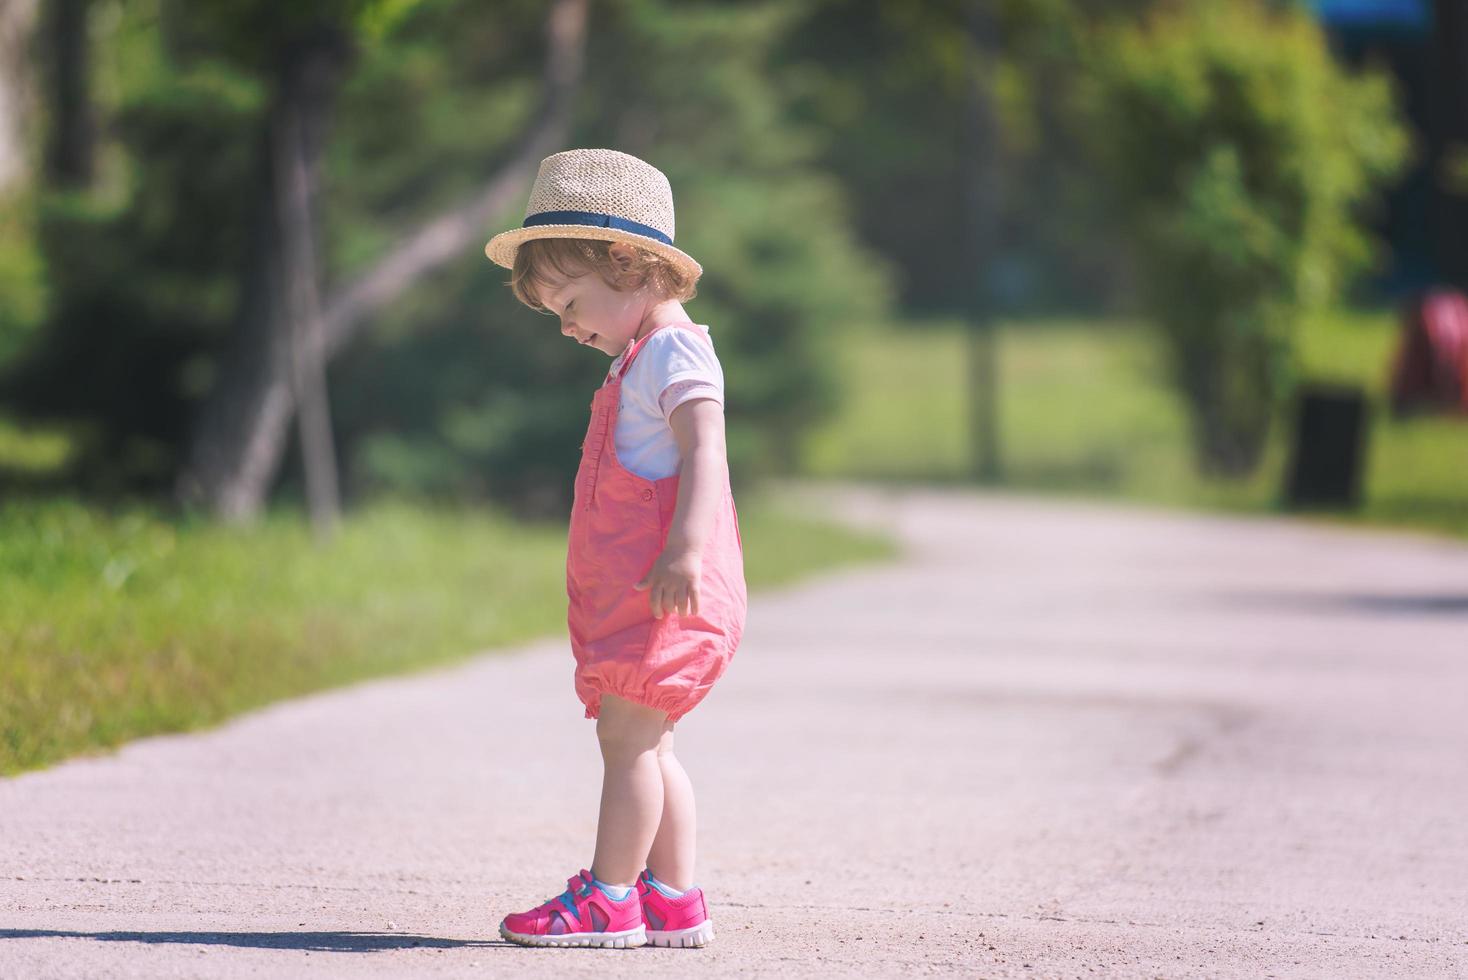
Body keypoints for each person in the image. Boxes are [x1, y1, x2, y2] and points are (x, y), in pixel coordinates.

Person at [483, 148, 747, 949]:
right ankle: (673, 898)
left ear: (627, 264)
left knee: (625, 742)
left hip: (669, 590)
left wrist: (686, 549)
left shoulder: (672, 352)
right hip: (647, 595)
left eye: (570, 300)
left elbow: (707, 448)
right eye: (552, 311)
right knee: (653, 743)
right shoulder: (642, 357)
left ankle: (608, 899)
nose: (566, 326)